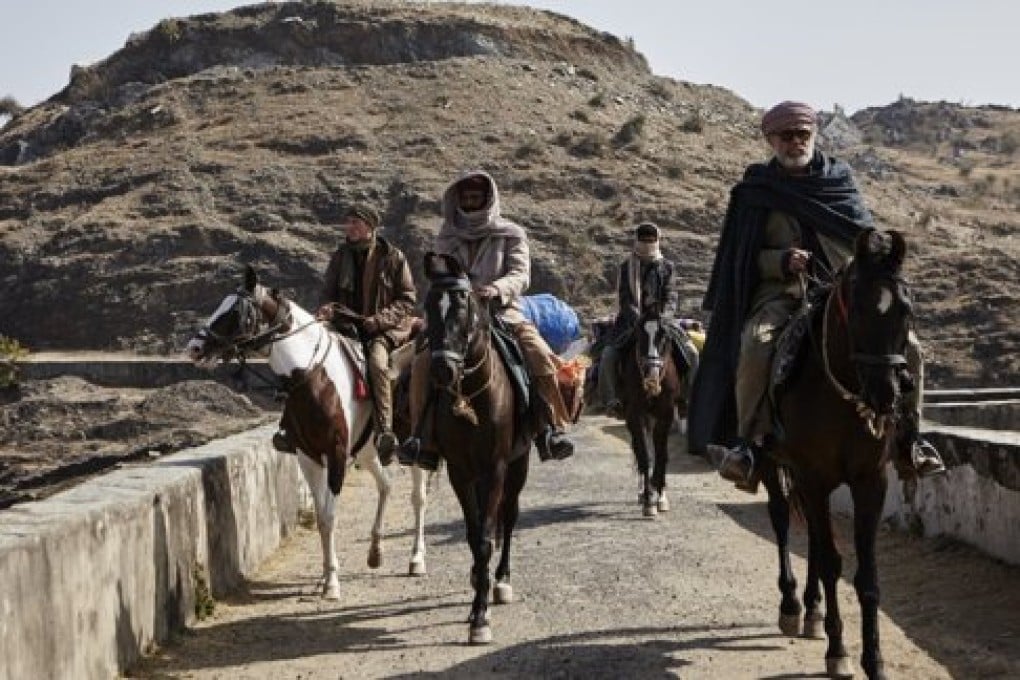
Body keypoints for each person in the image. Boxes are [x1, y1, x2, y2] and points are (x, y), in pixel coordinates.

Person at [687, 100, 945, 492]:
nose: (795, 142)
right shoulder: (754, 190)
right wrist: (782, 260)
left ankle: (911, 438)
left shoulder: (839, 181)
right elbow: (739, 260)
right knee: (756, 347)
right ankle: (750, 446)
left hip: (841, 293)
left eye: (802, 135)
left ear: (814, 135)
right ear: (770, 140)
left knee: (908, 347)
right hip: (781, 296)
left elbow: (867, 242)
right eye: (785, 136)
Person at [397, 170, 574, 469]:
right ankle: (420, 438)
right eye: (465, 198)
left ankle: (549, 428)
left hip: (502, 311)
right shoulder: (447, 236)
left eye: (475, 198)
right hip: (457, 313)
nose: (470, 203)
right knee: (421, 362)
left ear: (488, 199)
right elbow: (441, 276)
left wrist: (496, 289)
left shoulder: (511, 233)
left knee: (538, 354)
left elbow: (521, 274)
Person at [272, 204, 417, 462]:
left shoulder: (393, 257)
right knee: (304, 357)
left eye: (355, 222)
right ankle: (288, 428)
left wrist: (379, 320)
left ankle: (384, 432)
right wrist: (327, 308)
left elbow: (406, 300)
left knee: (377, 363)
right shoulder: (340, 256)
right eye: (347, 222)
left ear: (370, 226)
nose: (349, 227)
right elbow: (328, 292)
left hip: (381, 330)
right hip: (344, 325)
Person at [599, 222, 675, 418]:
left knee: (690, 353)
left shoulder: (667, 267)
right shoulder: (627, 267)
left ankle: (685, 400)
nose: (647, 244)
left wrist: (663, 317)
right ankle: (612, 400)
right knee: (608, 355)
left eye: (651, 240)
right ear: (637, 241)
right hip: (631, 324)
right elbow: (625, 298)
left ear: (657, 240)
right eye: (644, 240)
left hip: (661, 322)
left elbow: (671, 297)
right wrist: (638, 318)